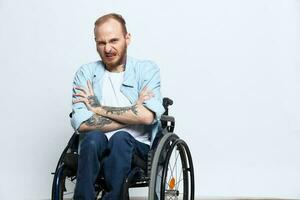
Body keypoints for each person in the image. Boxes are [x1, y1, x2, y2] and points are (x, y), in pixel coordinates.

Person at [71, 13, 165, 200]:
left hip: (136, 149)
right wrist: (132, 115)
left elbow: (147, 117)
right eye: (101, 43)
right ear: (96, 43)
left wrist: (97, 109)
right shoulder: (86, 73)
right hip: (96, 147)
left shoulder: (146, 70)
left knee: (121, 138)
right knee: (91, 139)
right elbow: (82, 124)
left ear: (127, 38)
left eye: (114, 40)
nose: (108, 48)